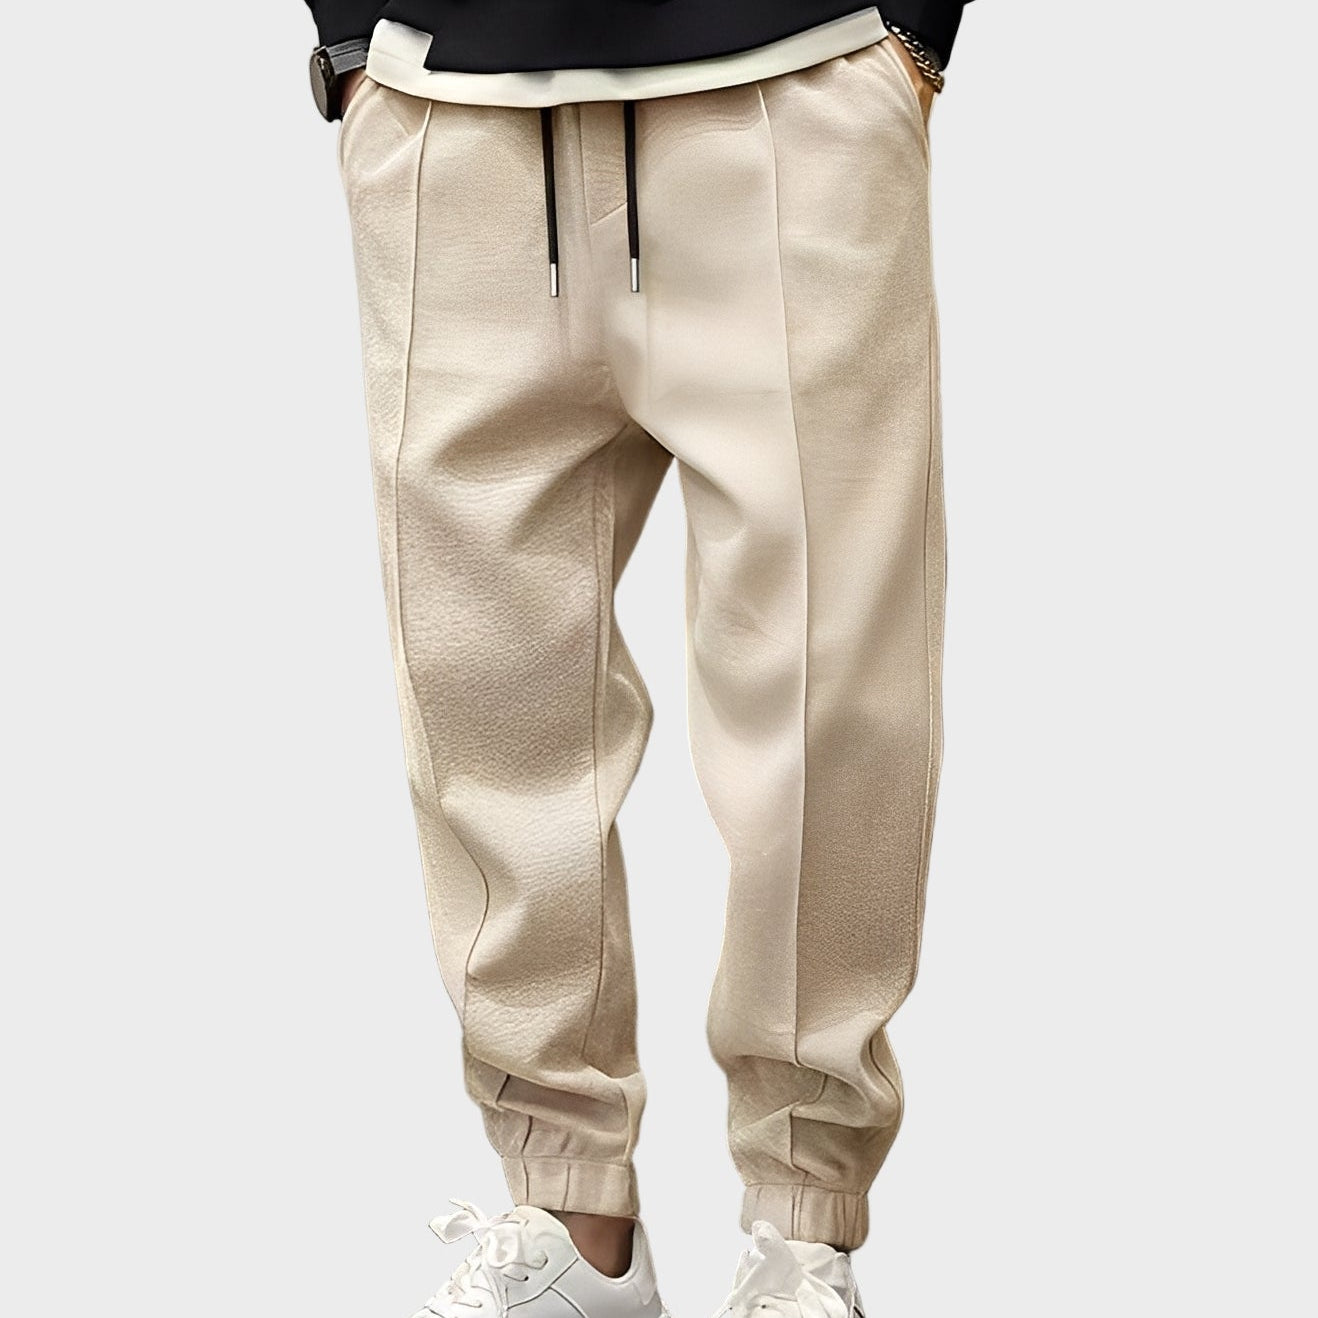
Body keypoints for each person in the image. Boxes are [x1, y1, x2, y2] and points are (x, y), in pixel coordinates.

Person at [300, 3, 973, 1316]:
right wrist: (349, 42)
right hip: (453, 103)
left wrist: (913, 31)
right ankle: (570, 1216)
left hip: (794, 72)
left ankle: (803, 1226)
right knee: (482, 693)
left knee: (832, 693)